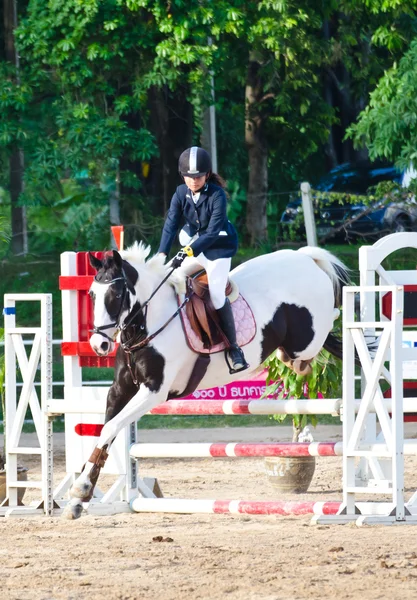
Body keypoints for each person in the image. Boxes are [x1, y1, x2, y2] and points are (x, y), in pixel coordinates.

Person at [158, 146, 249, 373]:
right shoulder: (180, 193)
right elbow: (171, 224)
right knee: (168, 276)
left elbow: (211, 233)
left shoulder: (216, 195)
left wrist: (186, 252)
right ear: (183, 176)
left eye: (198, 177)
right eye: (189, 177)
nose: (193, 181)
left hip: (218, 249)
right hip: (195, 248)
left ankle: (234, 349)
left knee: (217, 295)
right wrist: (162, 253)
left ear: (206, 175)